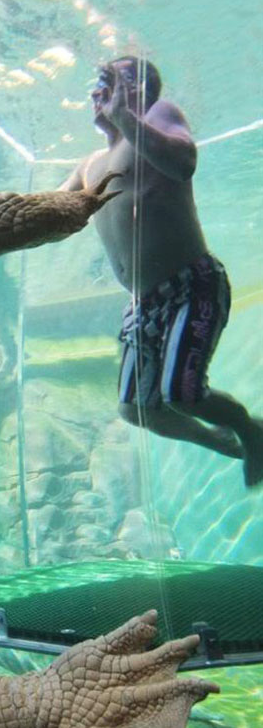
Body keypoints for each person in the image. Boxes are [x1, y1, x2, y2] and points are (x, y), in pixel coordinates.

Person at [60, 56, 263, 487]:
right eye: (96, 85)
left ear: (139, 89)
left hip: (193, 285)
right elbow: (48, 211)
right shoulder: (89, 164)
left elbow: (182, 163)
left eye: (107, 82)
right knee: (136, 409)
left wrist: (126, 118)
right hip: (143, 302)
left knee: (182, 394)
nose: (97, 93)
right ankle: (225, 441)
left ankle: (250, 430)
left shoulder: (160, 117)